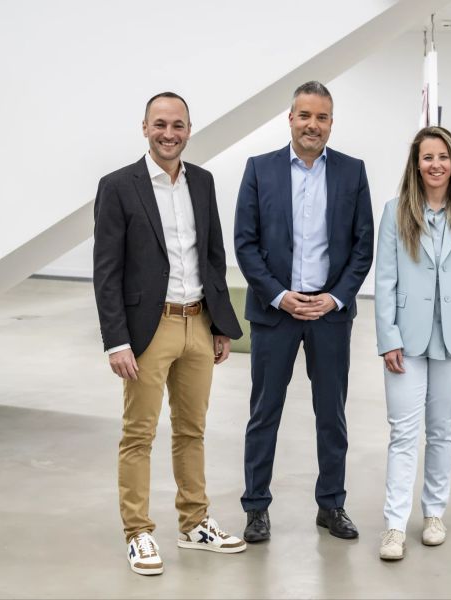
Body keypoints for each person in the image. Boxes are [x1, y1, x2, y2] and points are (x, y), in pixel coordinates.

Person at [93, 92, 246, 576]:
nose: (169, 133)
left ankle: (194, 522)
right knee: (138, 434)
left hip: (198, 323)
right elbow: (106, 270)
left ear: (188, 129)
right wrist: (116, 340)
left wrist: (220, 325)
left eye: (177, 125)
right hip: (147, 329)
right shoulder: (118, 186)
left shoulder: (201, 181)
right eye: (160, 124)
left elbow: (214, 257)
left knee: (192, 430)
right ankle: (138, 532)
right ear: (144, 128)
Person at [235, 81, 374, 543]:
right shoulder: (260, 170)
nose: (313, 124)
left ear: (331, 122)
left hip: (330, 314)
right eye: (305, 115)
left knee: (331, 414)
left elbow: (362, 246)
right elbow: (246, 244)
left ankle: (331, 505)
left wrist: (335, 298)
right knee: (264, 412)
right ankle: (256, 507)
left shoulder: (353, 173)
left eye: (322, 117)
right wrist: (279, 294)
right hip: (275, 313)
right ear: (290, 118)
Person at [374, 126, 451, 560]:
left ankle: (434, 513)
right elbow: (384, 280)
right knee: (403, 433)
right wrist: (388, 338)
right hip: (406, 338)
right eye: (427, 157)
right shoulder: (395, 211)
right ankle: (393, 524)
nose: (436, 164)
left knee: (442, 431)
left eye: (443, 156)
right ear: (416, 164)